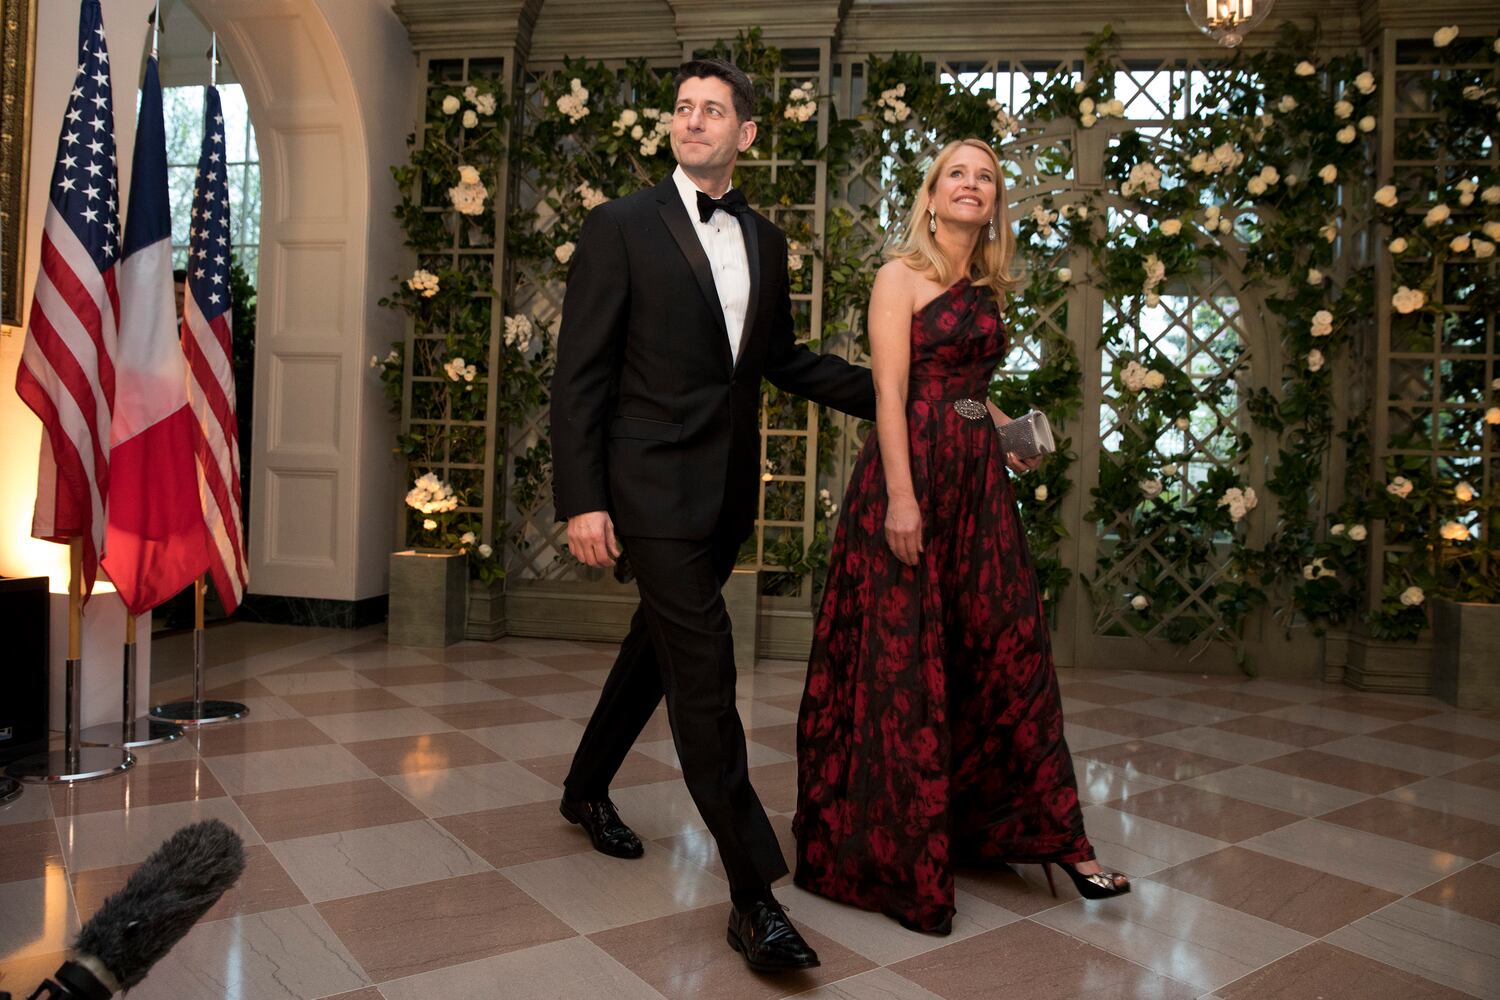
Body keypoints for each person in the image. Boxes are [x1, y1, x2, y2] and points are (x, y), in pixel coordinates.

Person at [549, 58, 876, 972]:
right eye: (683, 108)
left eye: (713, 110)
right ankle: (753, 896)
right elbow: (579, 376)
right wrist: (583, 498)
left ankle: (584, 788)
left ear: (747, 134)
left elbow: (783, 360)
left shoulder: (765, 239)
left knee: (655, 651)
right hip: (647, 491)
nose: (693, 121)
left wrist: (895, 391)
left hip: (725, 493)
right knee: (705, 675)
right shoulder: (619, 225)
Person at [792, 139, 1129, 936]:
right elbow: (893, 394)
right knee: (905, 662)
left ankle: (1057, 838)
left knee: (1007, 650)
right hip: (912, 481)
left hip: (979, 484)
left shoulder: (985, 283)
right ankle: (902, 857)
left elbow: (964, 390)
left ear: (994, 202)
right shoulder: (899, 276)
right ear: (933, 195)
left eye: (985, 177)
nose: (972, 185)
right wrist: (901, 500)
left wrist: (1008, 429)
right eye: (958, 174)